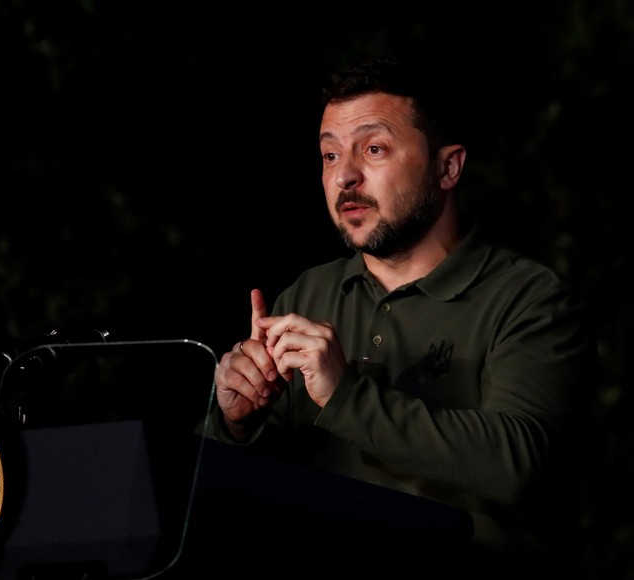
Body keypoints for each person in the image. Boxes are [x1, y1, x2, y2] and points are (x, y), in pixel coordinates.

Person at [204, 56, 594, 575]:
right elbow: (226, 491)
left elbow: (515, 463)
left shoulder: (527, 298)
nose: (344, 175)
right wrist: (233, 421)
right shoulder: (310, 294)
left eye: (374, 149)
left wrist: (345, 396)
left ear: (447, 167)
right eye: (328, 155)